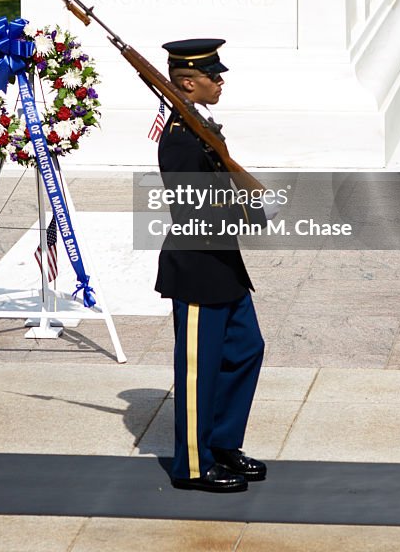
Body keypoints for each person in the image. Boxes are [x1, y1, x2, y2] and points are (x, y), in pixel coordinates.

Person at [155, 37, 266, 494]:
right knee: (199, 371)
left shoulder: (199, 126)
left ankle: (222, 443)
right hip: (199, 267)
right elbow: (191, 209)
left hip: (224, 265)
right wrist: (250, 208)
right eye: (211, 76)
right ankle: (194, 466)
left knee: (246, 350)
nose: (219, 81)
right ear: (187, 82)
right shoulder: (182, 139)